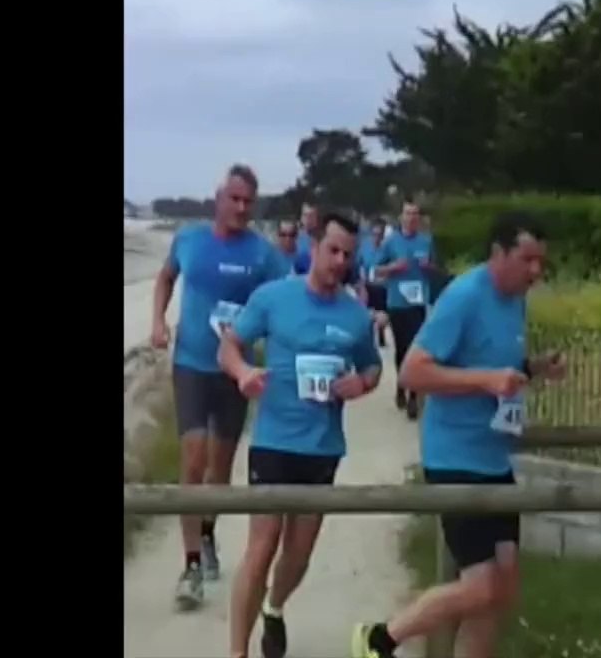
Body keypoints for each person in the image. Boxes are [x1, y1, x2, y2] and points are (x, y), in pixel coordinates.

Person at [350, 211, 566, 658]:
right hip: (455, 459)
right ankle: (380, 638)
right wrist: (485, 382)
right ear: (498, 254)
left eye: (540, 262)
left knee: (501, 589)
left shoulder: (516, 301)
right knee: (481, 585)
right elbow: (414, 371)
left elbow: (494, 362)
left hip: (494, 458)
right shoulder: (464, 296)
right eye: (527, 259)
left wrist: (536, 368)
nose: (535, 271)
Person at [218, 211, 383, 658]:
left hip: (322, 446)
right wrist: (243, 372)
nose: (339, 261)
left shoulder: (353, 314)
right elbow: (228, 345)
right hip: (274, 441)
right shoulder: (273, 297)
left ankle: (275, 607)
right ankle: (238, 652)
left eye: (348, 255)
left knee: (299, 553)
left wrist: (362, 383)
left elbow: (373, 364)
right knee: (262, 547)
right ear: (313, 246)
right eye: (332, 250)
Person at [150, 164, 288, 609]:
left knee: (219, 470)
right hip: (190, 363)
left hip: (235, 370)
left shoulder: (262, 254)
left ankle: (207, 533)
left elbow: (285, 299)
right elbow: (166, 277)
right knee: (192, 459)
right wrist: (158, 321)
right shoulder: (189, 239)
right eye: (235, 199)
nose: (242, 208)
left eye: (249, 201)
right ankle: (190, 564)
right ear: (219, 198)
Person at [375, 199, 437, 418]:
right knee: (401, 349)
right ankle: (401, 385)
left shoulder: (426, 241)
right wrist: (393, 267)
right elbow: (376, 270)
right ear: (401, 217)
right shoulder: (390, 242)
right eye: (408, 214)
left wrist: (427, 267)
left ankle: (413, 397)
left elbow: (435, 270)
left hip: (418, 303)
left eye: (415, 214)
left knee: (416, 347)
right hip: (397, 303)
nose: (412, 218)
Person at [357, 217, 390, 348]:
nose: (377, 237)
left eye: (379, 234)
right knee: (368, 314)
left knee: (382, 314)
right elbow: (359, 264)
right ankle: (369, 339)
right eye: (375, 234)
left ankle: (381, 334)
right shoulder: (364, 247)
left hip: (382, 286)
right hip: (368, 285)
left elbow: (390, 266)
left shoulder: (387, 248)